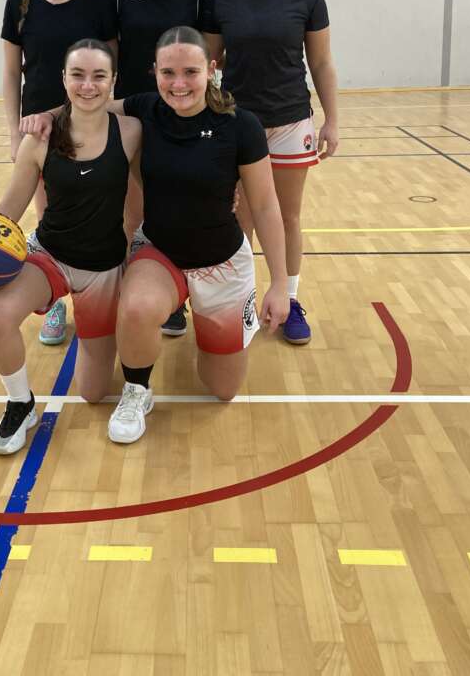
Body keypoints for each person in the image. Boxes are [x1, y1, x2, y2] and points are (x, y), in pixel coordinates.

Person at [22, 26, 289, 444]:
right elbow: (88, 101)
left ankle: (210, 331)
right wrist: (47, 115)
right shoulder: (145, 109)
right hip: (161, 250)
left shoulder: (242, 126)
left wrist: (280, 283)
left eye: (190, 72)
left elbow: (267, 206)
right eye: (168, 73)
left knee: (222, 388)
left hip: (222, 262)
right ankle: (137, 390)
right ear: (155, 72)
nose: (178, 84)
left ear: (211, 70)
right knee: (136, 307)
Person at [0, 40, 141, 454]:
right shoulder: (39, 140)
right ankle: (20, 403)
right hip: (50, 255)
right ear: (63, 79)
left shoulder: (131, 132)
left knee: (93, 393)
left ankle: (94, 332)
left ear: (113, 81)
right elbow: (7, 212)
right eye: (78, 75)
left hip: (104, 268)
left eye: (99, 76)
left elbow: (158, 188)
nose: (88, 85)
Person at [203, 0, 339, 346]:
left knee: (288, 216)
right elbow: (208, 62)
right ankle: (241, 299)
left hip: (291, 121)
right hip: (238, 123)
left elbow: (321, 62)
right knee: (240, 217)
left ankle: (290, 299)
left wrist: (332, 120)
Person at [1, 0, 117, 346]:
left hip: (88, 120)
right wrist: (14, 132)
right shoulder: (19, 3)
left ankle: (102, 293)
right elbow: (11, 73)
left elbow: (111, 69)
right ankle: (54, 303)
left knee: (98, 212)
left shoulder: (98, 4)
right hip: (38, 128)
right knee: (47, 215)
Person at [106, 0, 206, 336]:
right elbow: (110, 53)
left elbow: (206, 56)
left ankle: (180, 295)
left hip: (182, 113)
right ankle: (137, 293)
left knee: (179, 208)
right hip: (134, 113)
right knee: (134, 212)